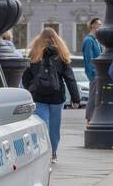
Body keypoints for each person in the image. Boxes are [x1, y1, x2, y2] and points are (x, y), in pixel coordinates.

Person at [23, 27, 81, 161]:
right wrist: (76, 98)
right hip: (56, 97)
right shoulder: (61, 55)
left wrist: (31, 89)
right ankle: (53, 153)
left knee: (42, 125)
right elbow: (70, 78)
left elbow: (26, 77)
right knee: (54, 127)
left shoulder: (34, 54)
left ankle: (42, 152)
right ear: (57, 39)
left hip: (38, 96)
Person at [81, 17, 102, 123]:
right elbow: (88, 59)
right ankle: (89, 118)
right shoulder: (89, 40)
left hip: (99, 73)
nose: (100, 26)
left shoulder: (96, 40)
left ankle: (95, 117)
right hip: (94, 74)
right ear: (93, 25)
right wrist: (92, 74)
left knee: (98, 95)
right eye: (99, 24)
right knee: (93, 96)